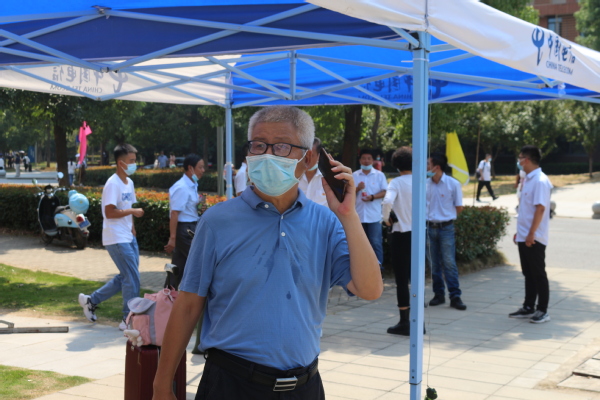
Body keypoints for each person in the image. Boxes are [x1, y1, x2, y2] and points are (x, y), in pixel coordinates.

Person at [152, 105, 383, 400]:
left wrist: (348, 216)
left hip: (304, 387)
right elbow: (187, 306)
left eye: (282, 146)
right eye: (259, 145)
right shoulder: (217, 221)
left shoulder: (325, 223)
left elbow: (370, 289)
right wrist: (162, 386)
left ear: (308, 158)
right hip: (230, 385)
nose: (268, 155)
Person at [78, 144, 144, 330]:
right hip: (115, 237)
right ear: (120, 163)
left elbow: (127, 207)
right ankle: (128, 319)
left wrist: (132, 228)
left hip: (128, 236)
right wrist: (133, 212)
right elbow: (109, 212)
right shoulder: (112, 184)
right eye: (131, 161)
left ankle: (91, 301)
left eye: (135, 160)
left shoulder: (129, 183)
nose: (134, 164)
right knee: (131, 277)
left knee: (126, 276)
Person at [510, 145, 553, 324]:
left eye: (520, 157)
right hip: (524, 235)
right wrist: (521, 233)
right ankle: (528, 306)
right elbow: (526, 210)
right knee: (528, 273)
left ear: (526, 160)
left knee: (538, 273)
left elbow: (540, 209)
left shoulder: (540, 181)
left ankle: (542, 310)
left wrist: (531, 234)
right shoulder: (527, 179)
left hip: (534, 237)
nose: (518, 161)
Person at [426, 152, 467, 311]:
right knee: (433, 263)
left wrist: (445, 216)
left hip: (446, 228)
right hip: (429, 227)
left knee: (449, 262)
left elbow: (459, 207)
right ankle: (438, 294)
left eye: (428, 164)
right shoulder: (424, 184)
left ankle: (455, 296)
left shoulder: (453, 184)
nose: (426, 167)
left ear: (437, 167)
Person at [382, 147, 413, 335]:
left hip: (401, 233)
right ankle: (418, 321)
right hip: (419, 233)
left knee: (402, 279)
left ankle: (404, 321)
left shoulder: (397, 182)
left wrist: (386, 219)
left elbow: (387, 202)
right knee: (416, 278)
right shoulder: (421, 181)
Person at [164, 154, 205, 289]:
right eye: (200, 167)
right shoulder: (181, 187)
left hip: (191, 227)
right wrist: (173, 238)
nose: (203, 170)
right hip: (185, 231)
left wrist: (200, 206)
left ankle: (166, 296)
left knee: (177, 267)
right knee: (200, 263)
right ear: (190, 168)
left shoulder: (192, 185)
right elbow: (174, 213)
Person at [353, 148, 387, 266]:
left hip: (374, 216)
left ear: (373, 160)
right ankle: (361, 268)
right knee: (359, 244)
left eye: (369, 158)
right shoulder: (354, 175)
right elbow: (348, 193)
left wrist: (372, 197)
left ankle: (379, 269)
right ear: (360, 160)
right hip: (359, 216)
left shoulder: (379, 175)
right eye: (364, 158)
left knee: (376, 242)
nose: (366, 161)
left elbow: (385, 192)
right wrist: (358, 188)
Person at [298, 137, 327, 207]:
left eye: (311, 155)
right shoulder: (293, 177)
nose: (307, 159)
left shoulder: (328, 179)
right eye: (304, 155)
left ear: (318, 156)